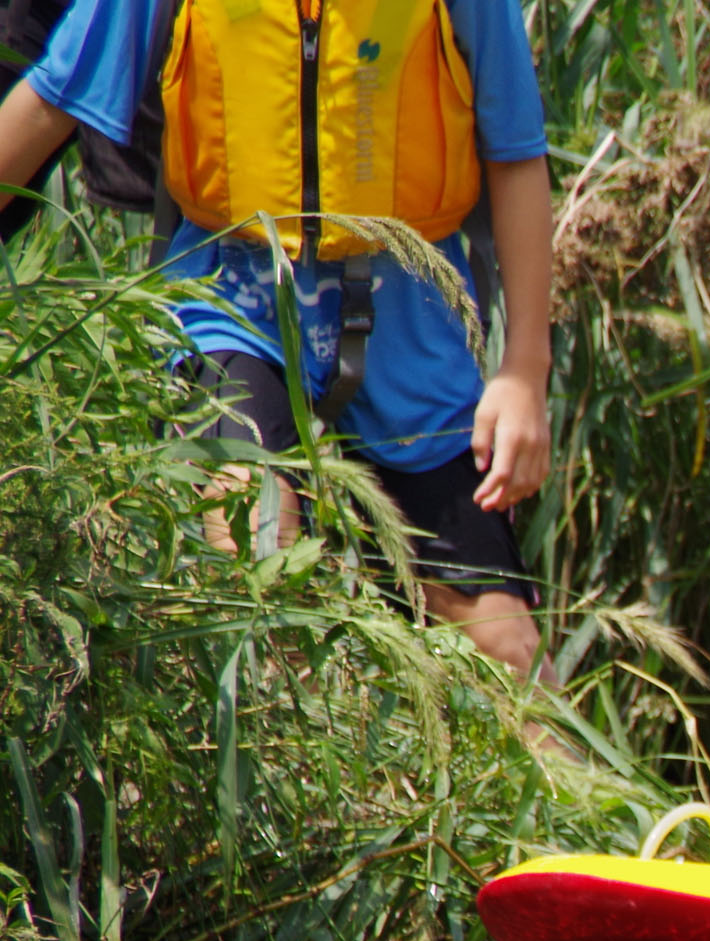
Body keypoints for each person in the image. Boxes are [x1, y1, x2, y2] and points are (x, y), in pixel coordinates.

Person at [0, 0, 554, 677]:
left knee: (506, 649)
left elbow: (517, 149)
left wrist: (525, 368)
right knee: (256, 557)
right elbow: (52, 96)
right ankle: (274, 764)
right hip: (235, 301)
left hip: (414, 323)